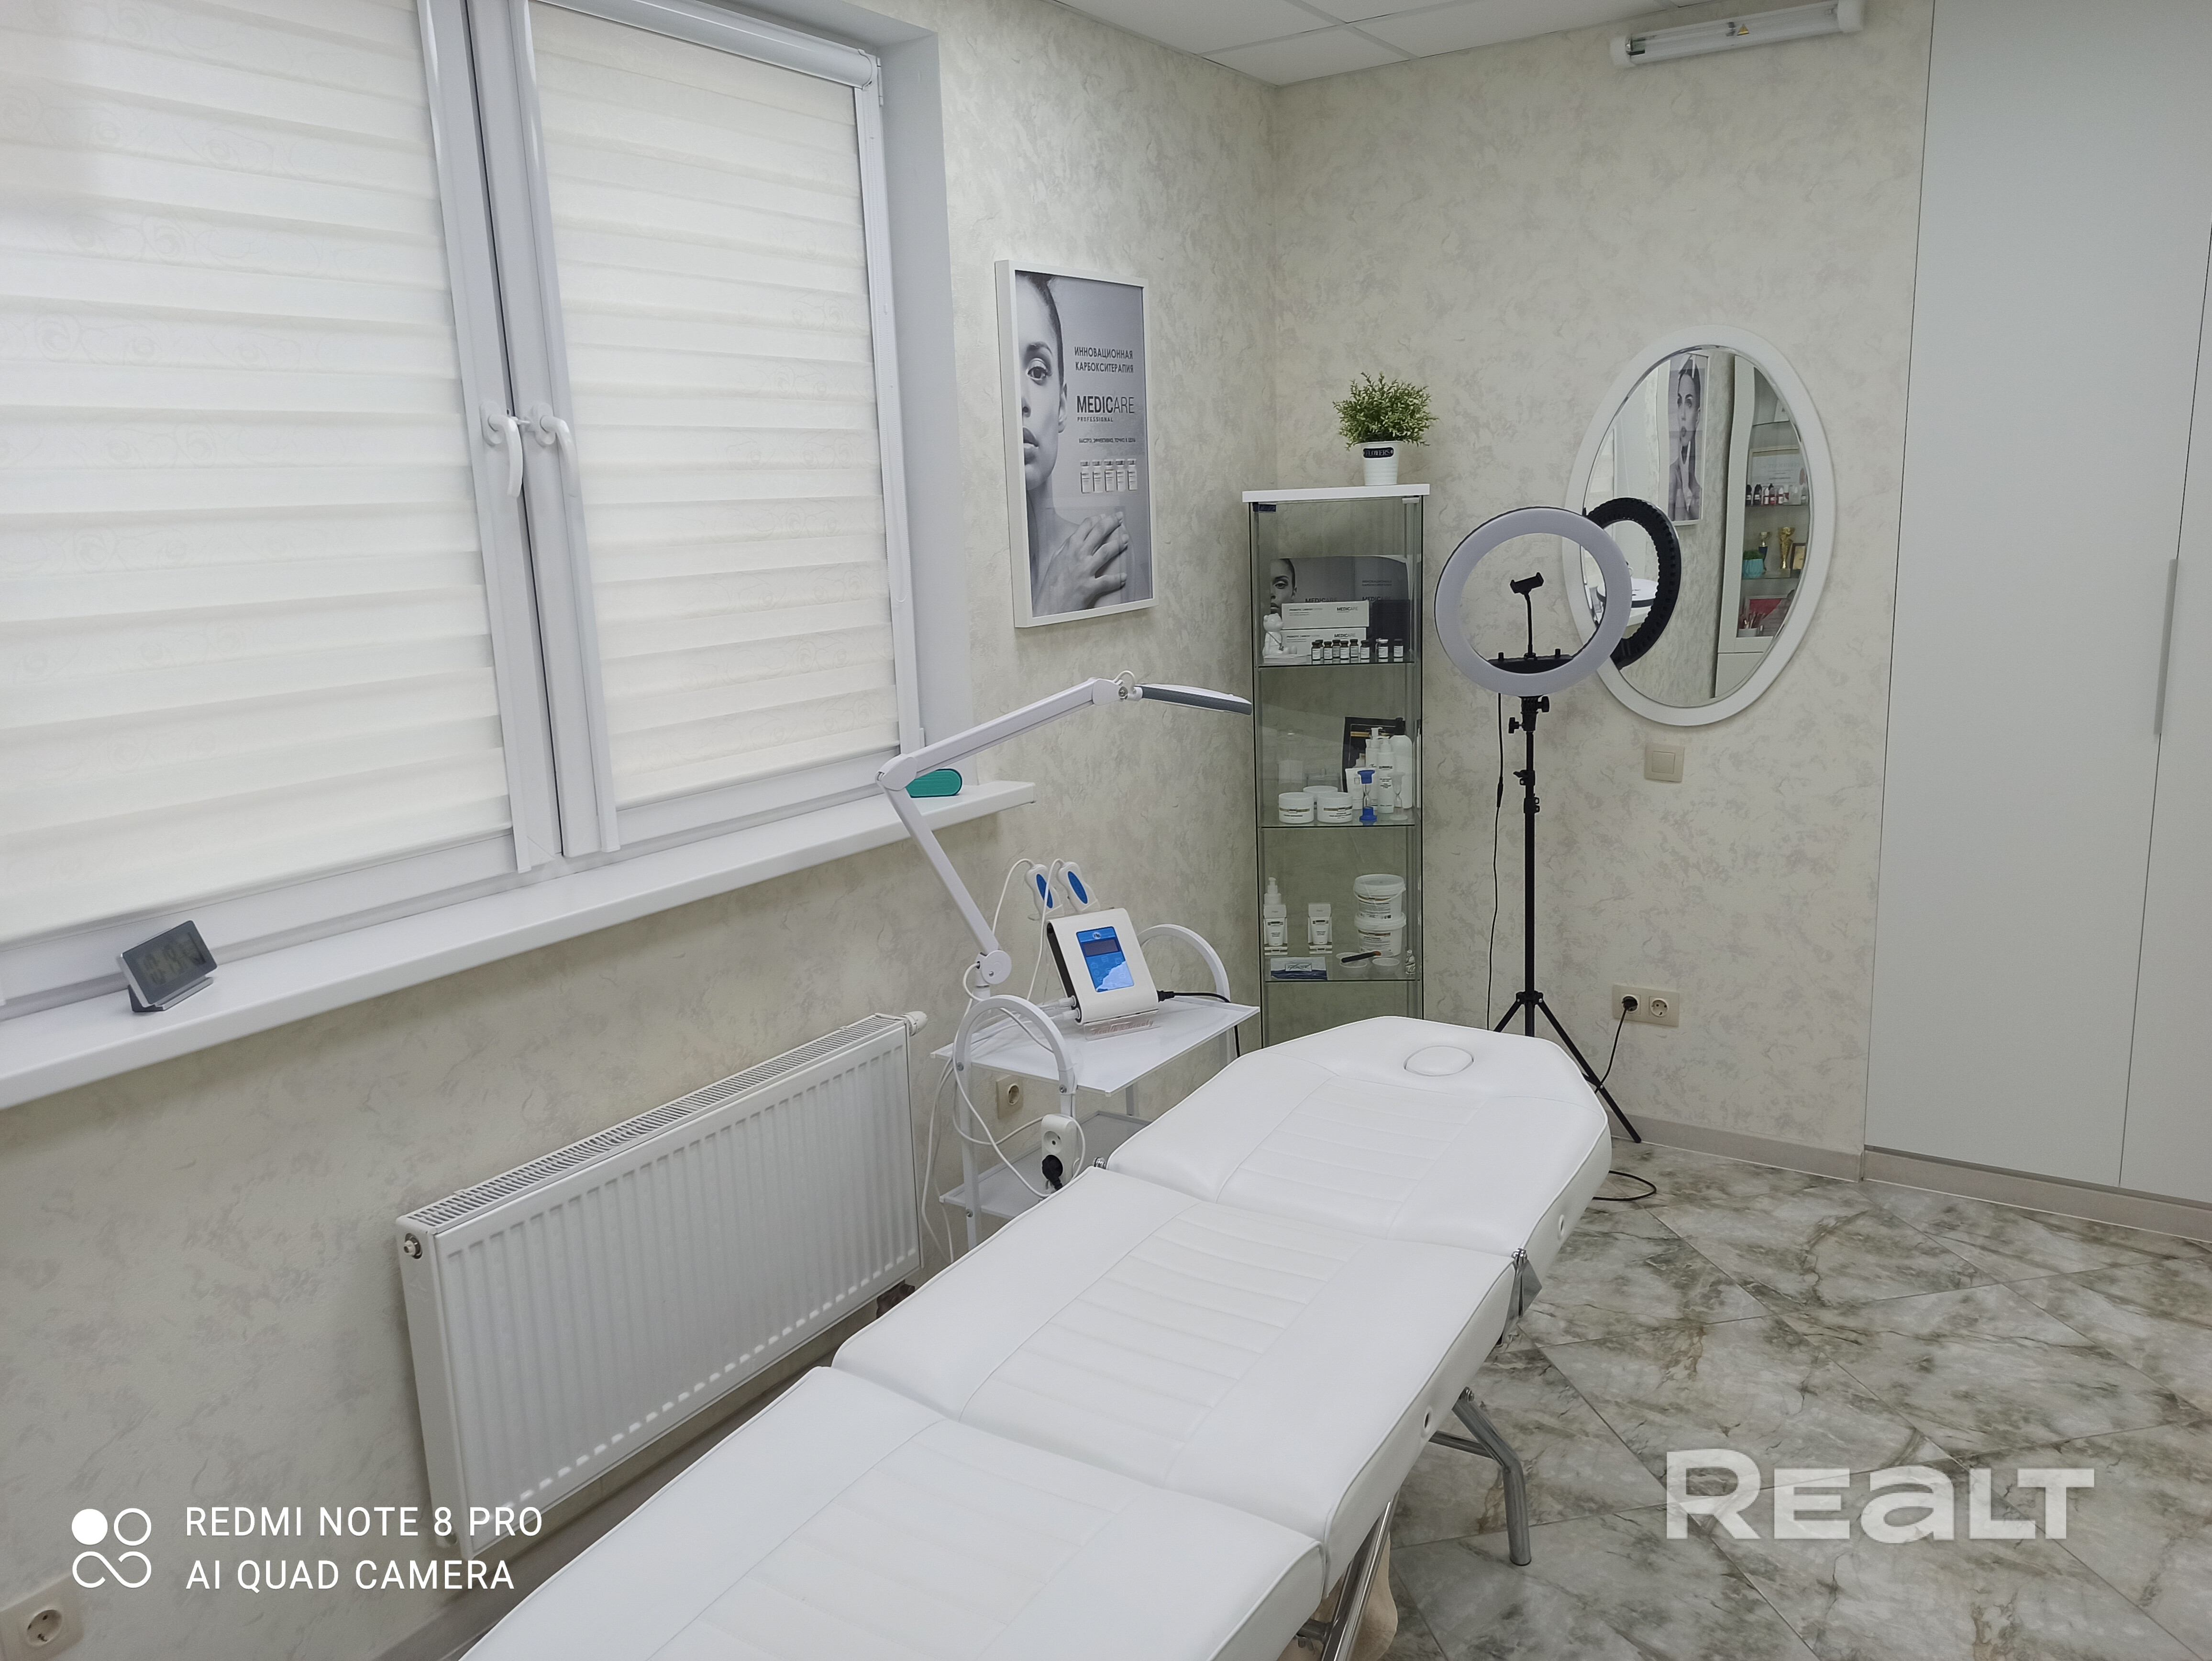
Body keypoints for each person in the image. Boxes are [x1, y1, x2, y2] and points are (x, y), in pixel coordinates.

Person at [1016, 272, 1127, 614]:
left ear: (1063, 405)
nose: (1020, 399)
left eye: (1037, 372)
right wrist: (1053, 598)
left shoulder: (1099, 555)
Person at [1666, 352, 1703, 523]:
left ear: (1698, 416)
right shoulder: (1672, 477)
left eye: (1689, 403)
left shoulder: (1694, 485)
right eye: (1679, 402)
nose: (1682, 415)